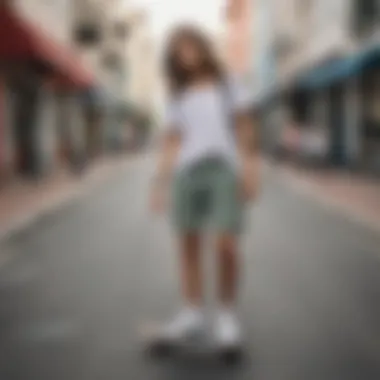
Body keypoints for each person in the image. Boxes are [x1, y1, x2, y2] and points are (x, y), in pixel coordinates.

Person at [150, 25, 258, 351]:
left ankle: (226, 316)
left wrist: (251, 168)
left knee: (226, 245)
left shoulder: (228, 85)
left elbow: (244, 127)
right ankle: (193, 313)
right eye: (179, 51)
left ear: (202, 47)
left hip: (223, 170)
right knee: (188, 244)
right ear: (174, 58)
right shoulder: (177, 93)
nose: (186, 55)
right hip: (187, 174)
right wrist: (161, 184)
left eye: (190, 47)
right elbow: (171, 140)